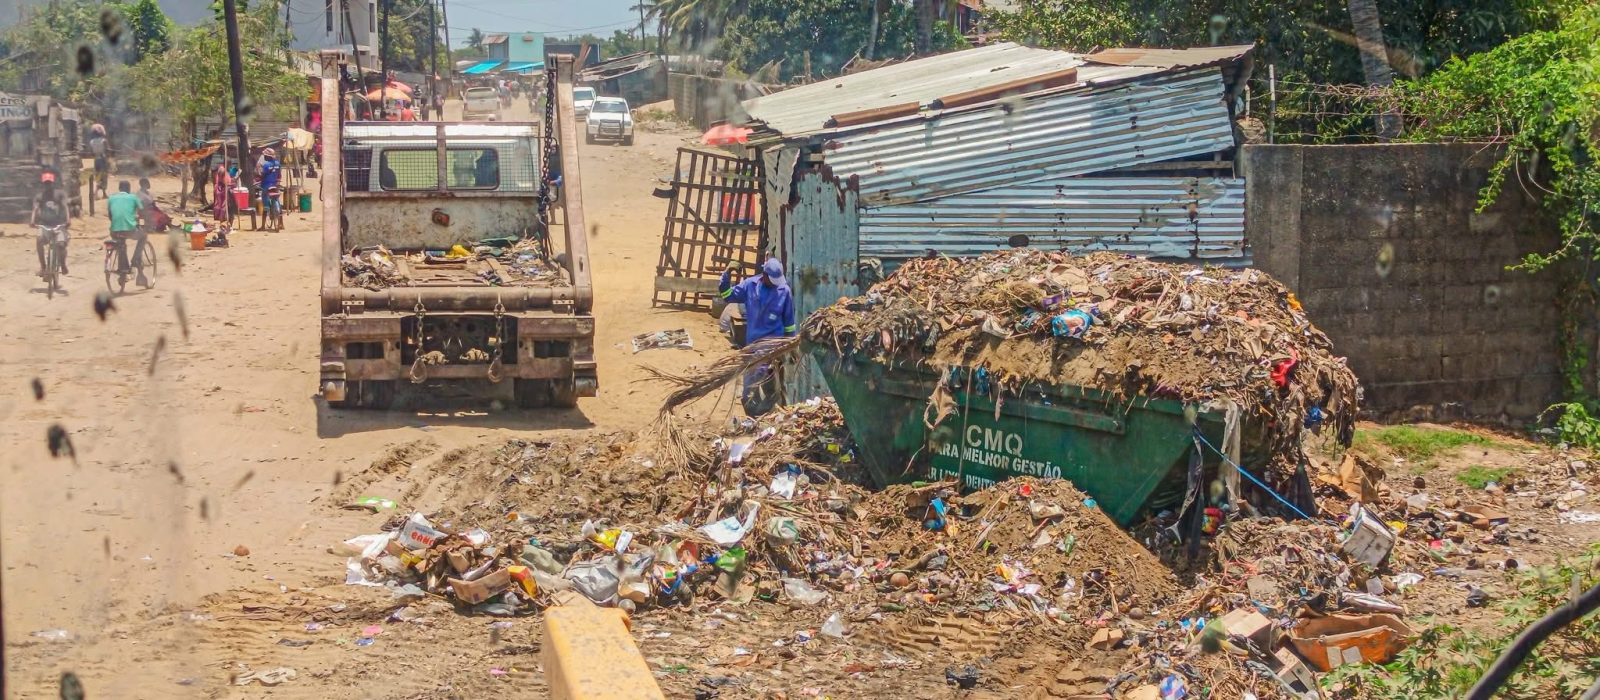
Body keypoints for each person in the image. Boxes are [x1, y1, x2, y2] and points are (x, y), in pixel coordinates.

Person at [718, 258, 796, 415]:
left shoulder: (784, 291)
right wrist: (727, 274)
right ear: (764, 275)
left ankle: (762, 412)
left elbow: (789, 323)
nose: (775, 283)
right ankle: (755, 415)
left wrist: (791, 346)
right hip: (752, 344)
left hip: (773, 345)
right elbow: (728, 295)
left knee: (759, 381)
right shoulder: (750, 286)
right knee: (758, 383)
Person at [107, 180, 146, 285]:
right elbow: (142, 212)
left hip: (114, 230)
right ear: (128, 189)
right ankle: (135, 260)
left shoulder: (111, 198)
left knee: (121, 245)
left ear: (119, 188)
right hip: (129, 229)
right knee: (143, 237)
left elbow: (110, 215)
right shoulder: (133, 197)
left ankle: (123, 270)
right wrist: (137, 218)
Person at [32, 171, 70, 277]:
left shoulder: (59, 194)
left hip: (59, 224)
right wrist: (32, 220)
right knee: (39, 240)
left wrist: (68, 220)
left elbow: (65, 206)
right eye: (46, 183)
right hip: (45, 225)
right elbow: (35, 208)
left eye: (49, 183)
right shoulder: (39, 196)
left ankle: (62, 264)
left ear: (53, 183)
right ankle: (43, 266)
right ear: (43, 184)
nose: (48, 185)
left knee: (61, 245)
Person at [258, 148, 283, 227]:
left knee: (265, 205)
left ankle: (262, 226)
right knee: (277, 201)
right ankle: (281, 224)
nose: (264, 157)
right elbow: (279, 175)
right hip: (275, 185)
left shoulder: (266, 165)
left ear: (268, 157)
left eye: (265, 156)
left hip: (266, 186)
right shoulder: (277, 164)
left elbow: (262, 175)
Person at [87, 124, 109, 198]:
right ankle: (96, 192)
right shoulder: (104, 141)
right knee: (104, 176)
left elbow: (91, 153)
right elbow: (107, 151)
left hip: (96, 160)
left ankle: (103, 194)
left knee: (98, 176)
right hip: (103, 160)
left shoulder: (91, 142)